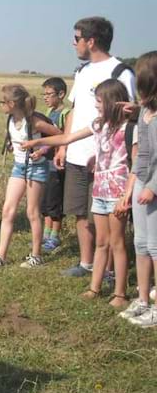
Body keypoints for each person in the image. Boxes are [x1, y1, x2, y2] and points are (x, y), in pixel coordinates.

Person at [23, 79, 135, 307]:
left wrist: (127, 195)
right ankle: (94, 288)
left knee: (118, 243)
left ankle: (120, 294)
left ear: (114, 102)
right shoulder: (99, 124)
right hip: (100, 191)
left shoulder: (128, 128)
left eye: (100, 101)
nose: (96, 106)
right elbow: (66, 137)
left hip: (117, 193)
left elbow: (137, 160)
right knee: (102, 242)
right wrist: (39, 140)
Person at [56, 17, 136, 277]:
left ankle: (111, 268)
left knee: (106, 214)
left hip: (108, 161)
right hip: (77, 155)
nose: (73, 43)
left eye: (76, 38)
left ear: (91, 41)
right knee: (80, 212)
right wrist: (62, 147)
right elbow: (74, 111)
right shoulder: (81, 72)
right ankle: (86, 263)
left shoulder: (121, 72)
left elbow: (130, 115)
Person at [0, 85, 61, 269]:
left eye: (2, 102)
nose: (0, 105)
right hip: (19, 167)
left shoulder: (34, 121)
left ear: (12, 103)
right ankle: (0, 256)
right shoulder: (11, 118)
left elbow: (60, 136)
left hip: (36, 168)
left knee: (32, 212)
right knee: (7, 210)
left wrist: (42, 150)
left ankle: (36, 255)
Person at [118, 51, 157, 327]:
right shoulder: (145, 112)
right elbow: (142, 153)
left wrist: (153, 187)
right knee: (140, 243)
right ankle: (143, 299)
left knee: (156, 247)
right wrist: (136, 182)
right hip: (142, 181)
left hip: (154, 187)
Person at [40, 77, 71, 251]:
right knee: (45, 201)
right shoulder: (49, 111)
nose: (45, 97)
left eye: (49, 94)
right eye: (43, 94)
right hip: (46, 163)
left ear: (61, 94)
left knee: (55, 202)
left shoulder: (66, 114)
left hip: (56, 164)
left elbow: (62, 137)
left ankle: (54, 237)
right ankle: (45, 235)